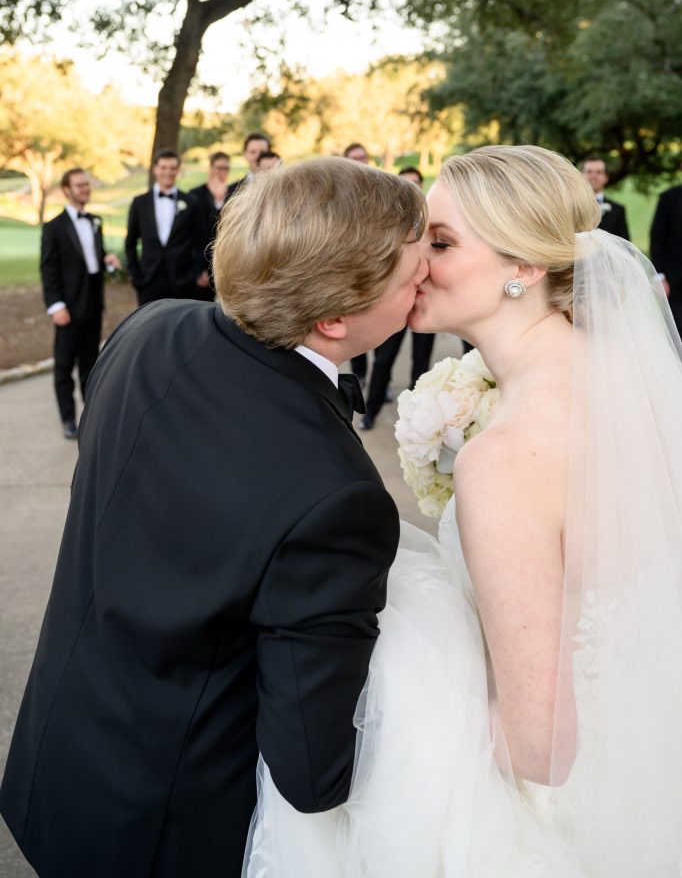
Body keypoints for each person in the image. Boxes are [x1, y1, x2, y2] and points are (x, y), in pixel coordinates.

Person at [245, 145, 682, 876]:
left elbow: (540, 745)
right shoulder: (624, 380)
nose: (413, 261)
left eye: (440, 243)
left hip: (551, 813)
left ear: (524, 267)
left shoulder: (506, 458)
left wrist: (403, 711)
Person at [0, 157, 427, 878]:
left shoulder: (148, 330)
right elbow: (311, 769)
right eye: (414, 273)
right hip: (164, 829)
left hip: (57, 756)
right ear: (332, 316)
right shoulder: (337, 496)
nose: (426, 284)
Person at [39, 168, 121, 438]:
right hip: (68, 309)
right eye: (80, 185)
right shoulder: (54, 227)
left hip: (93, 306)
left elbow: (92, 260)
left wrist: (107, 260)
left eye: (87, 184)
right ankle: (67, 420)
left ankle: (91, 416)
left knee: (91, 366)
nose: (85, 188)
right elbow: (48, 269)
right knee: (64, 367)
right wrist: (55, 306)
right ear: (66, 189)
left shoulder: (96, 221)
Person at [359, 166, 435, 430]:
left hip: (425, 300)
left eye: (416, 183)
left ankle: (418, 417)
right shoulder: (387, 225)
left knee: (422, 362)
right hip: (395, 302)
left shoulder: (432, 223)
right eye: (407, 183)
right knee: (383, 360)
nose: (412, 188)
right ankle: (371, 411)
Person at [125, 148, 206, 305]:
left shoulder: (191, 202)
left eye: (173, 168)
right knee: (149, 327)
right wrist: (136, 276)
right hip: (148, 281)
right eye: (163, 167)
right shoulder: (139, 203)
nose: (168, 172)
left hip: (182, 281)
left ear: (178, 170)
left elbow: (201, 241)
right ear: (155, 169)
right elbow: (130, 242)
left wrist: (195, 273)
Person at [343, 143, 372, 383]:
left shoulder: (385, 191)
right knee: (355, 326)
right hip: (353, 270)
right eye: (355, 158)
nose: (361, 161)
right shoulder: (342, 196)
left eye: (364, 157)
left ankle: (381, 383)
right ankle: (359, 374)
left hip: (380, 267)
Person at [189, 150, 232, 301]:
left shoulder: (233, 193)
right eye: (219, 167)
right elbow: (194, 235)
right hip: (202, 266)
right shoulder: (195, 195)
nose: (222, 172)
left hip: (228, 266)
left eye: (226, 168)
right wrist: (199, 269)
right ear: (211, 168)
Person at [649, 175, 682, 335]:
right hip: (675, 281)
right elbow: (657, 238)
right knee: (676, 330)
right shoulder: (668, 198)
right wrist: (660, 276)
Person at [581, 154, 630, 239]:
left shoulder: (618, 210)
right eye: (589, 171)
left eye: (598, 172)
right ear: (581, 175)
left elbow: (625, 246)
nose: (593, 176)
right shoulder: (570, 208)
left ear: (606, 178)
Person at [228, 132, 271, 196]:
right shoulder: (232, 190)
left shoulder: (282, 185)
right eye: (252, 152)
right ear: (245, 155)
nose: (257, 156)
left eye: (262, 152)